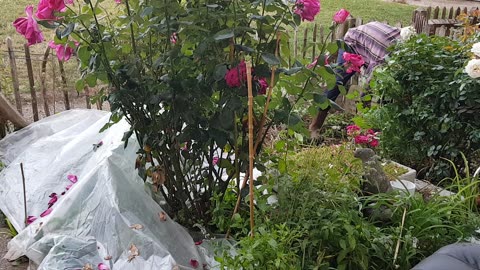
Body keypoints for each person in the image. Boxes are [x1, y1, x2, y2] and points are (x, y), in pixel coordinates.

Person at [309, 21, 405, 134]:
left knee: (385, 92)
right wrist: (362, 119)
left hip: (371, 42)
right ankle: (314, 127)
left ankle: (379, 130)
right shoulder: (385, 57)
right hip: (353, 42)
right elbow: (368, 89)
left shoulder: (405, 47)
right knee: (337, 82)